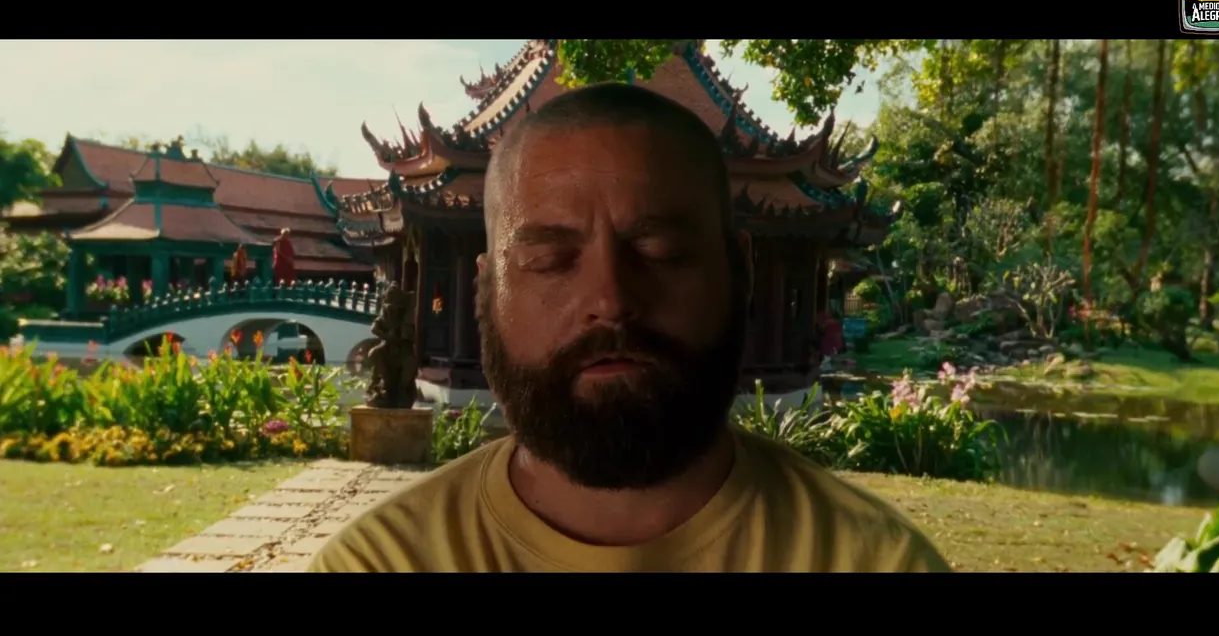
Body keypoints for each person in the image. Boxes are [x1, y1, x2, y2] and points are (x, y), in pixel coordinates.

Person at [309, 83, 950, 573]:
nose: (610, 300)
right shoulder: (382, 564)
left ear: (741, 272)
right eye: (550, 260)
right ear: (487, 290)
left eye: (661, 252)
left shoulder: (875, 562)